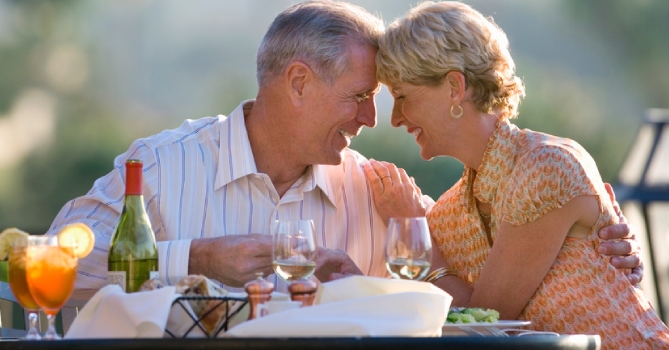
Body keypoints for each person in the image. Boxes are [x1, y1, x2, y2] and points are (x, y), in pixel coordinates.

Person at [47, 0, 641, 293]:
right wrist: (193, 258)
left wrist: (593, 242)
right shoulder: (161, 165)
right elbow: (57, 258)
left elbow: (466, 294)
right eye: (360, 96)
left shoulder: (372, 188)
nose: (372, 118)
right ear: (299, 82)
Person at [366, 1, 668, 347]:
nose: (396, 118)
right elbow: (439, 310)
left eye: (403, 96)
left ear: (454, 87)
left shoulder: (547, 166)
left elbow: (486, 323)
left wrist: (418, 237)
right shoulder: (448, 212)